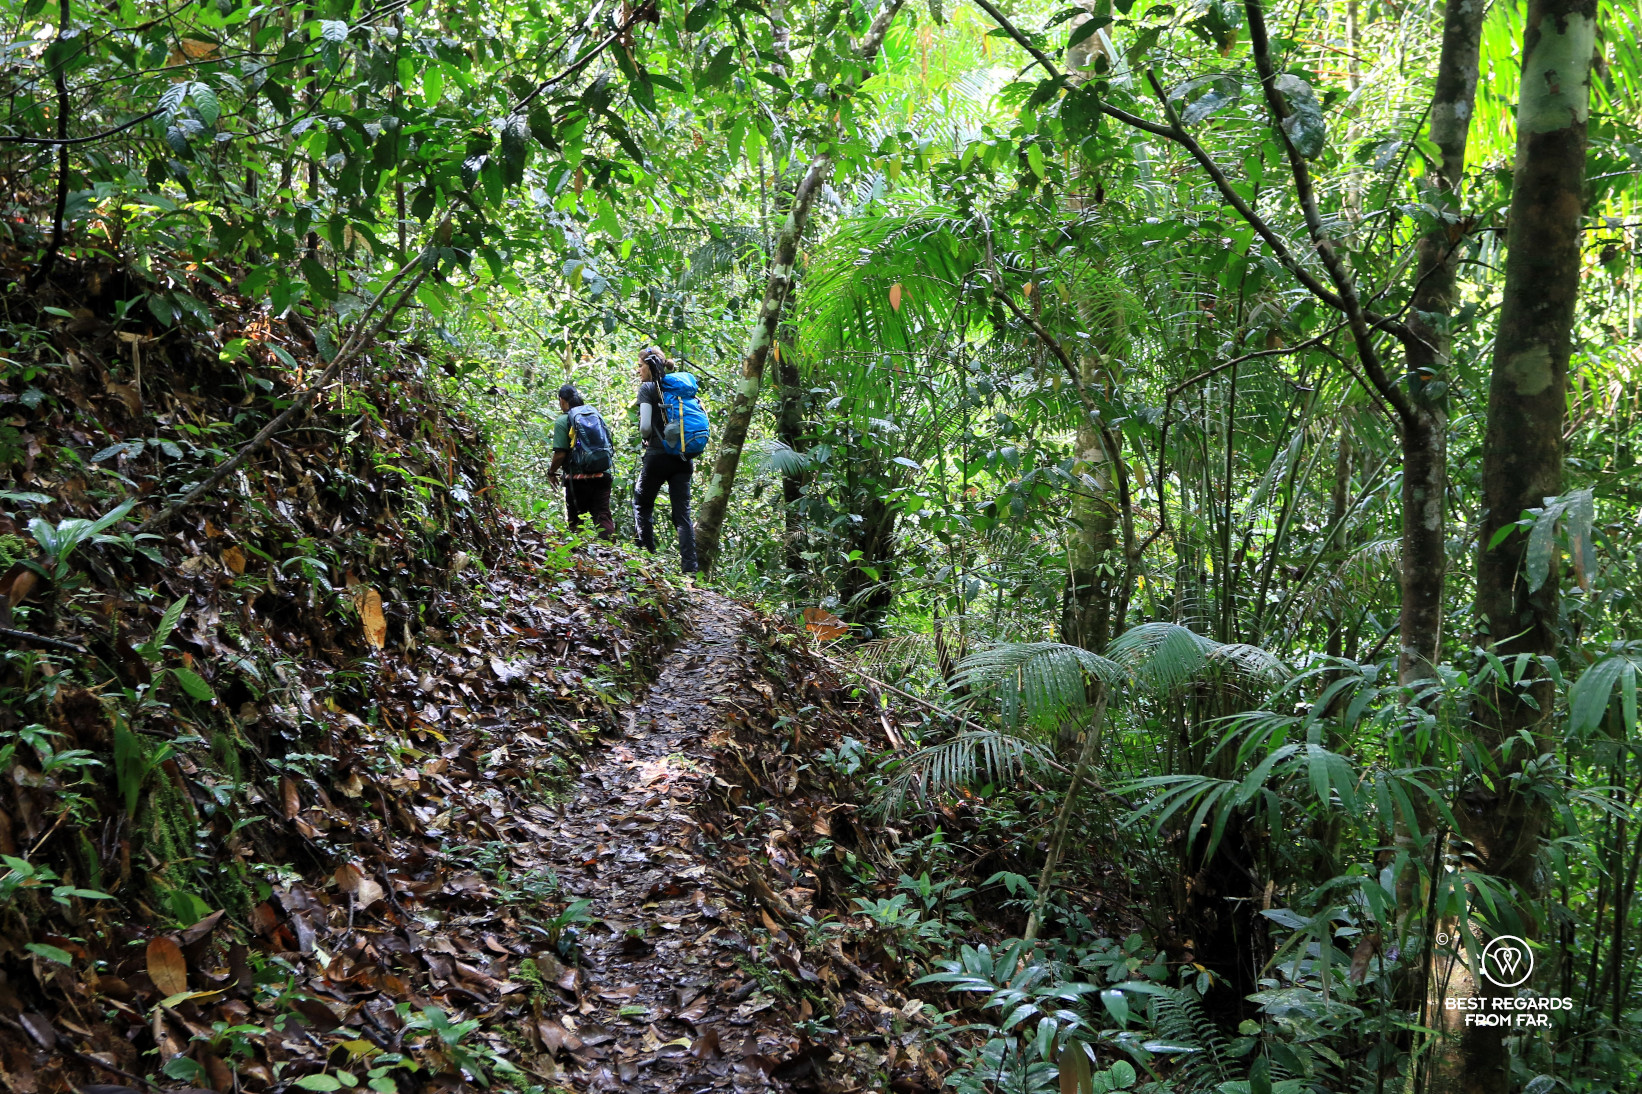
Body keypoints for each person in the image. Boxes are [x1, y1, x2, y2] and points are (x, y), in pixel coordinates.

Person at [633, 346, 699, 573]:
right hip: (683, 458)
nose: (638, 370)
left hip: (657, 456)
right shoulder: (679, 387)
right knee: (682, 515)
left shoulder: (648, 388)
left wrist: (647, 436)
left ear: (649, 366)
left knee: (642, 504)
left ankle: (647, 559)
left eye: (640, 365)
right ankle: (690, 570)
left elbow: (643, 428)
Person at [548, 383, 616, 540]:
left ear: (561, 400)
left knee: (577, 520)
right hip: (602, 474)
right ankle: (611, 554)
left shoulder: (563, 421)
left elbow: (560, 454)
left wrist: (551, 472)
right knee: (602, 515)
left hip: (578, 479)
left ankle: (577, 555)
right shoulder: (594, 414)